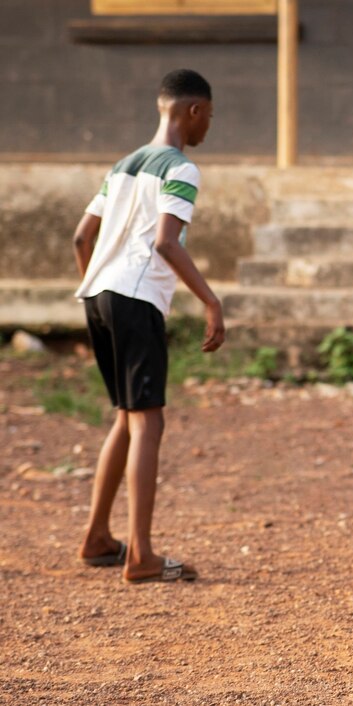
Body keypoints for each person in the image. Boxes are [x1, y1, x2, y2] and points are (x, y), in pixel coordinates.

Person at [73, 69, 224, 583]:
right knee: (149, 422)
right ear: (193, 111)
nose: (208, 127)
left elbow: (80, 237)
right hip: (133, 297)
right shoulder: (181, 166)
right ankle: (141, 556)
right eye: (209, 116)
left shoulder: (122, 165)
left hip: (96, 294)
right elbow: (165, 243)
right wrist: (211, 302)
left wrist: (101, 287)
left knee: (126, 416)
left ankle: (97, 538)